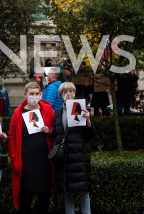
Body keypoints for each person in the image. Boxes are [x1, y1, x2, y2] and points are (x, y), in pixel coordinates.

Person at [8, 82, 54, 214]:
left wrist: (49, 130)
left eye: (37, 94)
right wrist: (13, 157)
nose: (34, 96)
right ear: (25, 95)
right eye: (31, 94)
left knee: (43, 199)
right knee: (25, 199)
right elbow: (11, 137)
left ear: (40, 94)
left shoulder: (48, 110)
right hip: (25, 162)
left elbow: (56, 130)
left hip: (44, 161)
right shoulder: (17, 113)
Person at [53, 82, 95, 214]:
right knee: (68, 192)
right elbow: (57, 135)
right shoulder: (57, 113)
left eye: (71, 91)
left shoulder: (82, 109)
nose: (68, 94)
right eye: (65, 92)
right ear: (61, 95)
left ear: (75, 93)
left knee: (84, 192)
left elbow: (91, 135)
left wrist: (88, 121)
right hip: (65, 158)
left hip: (79, 157)